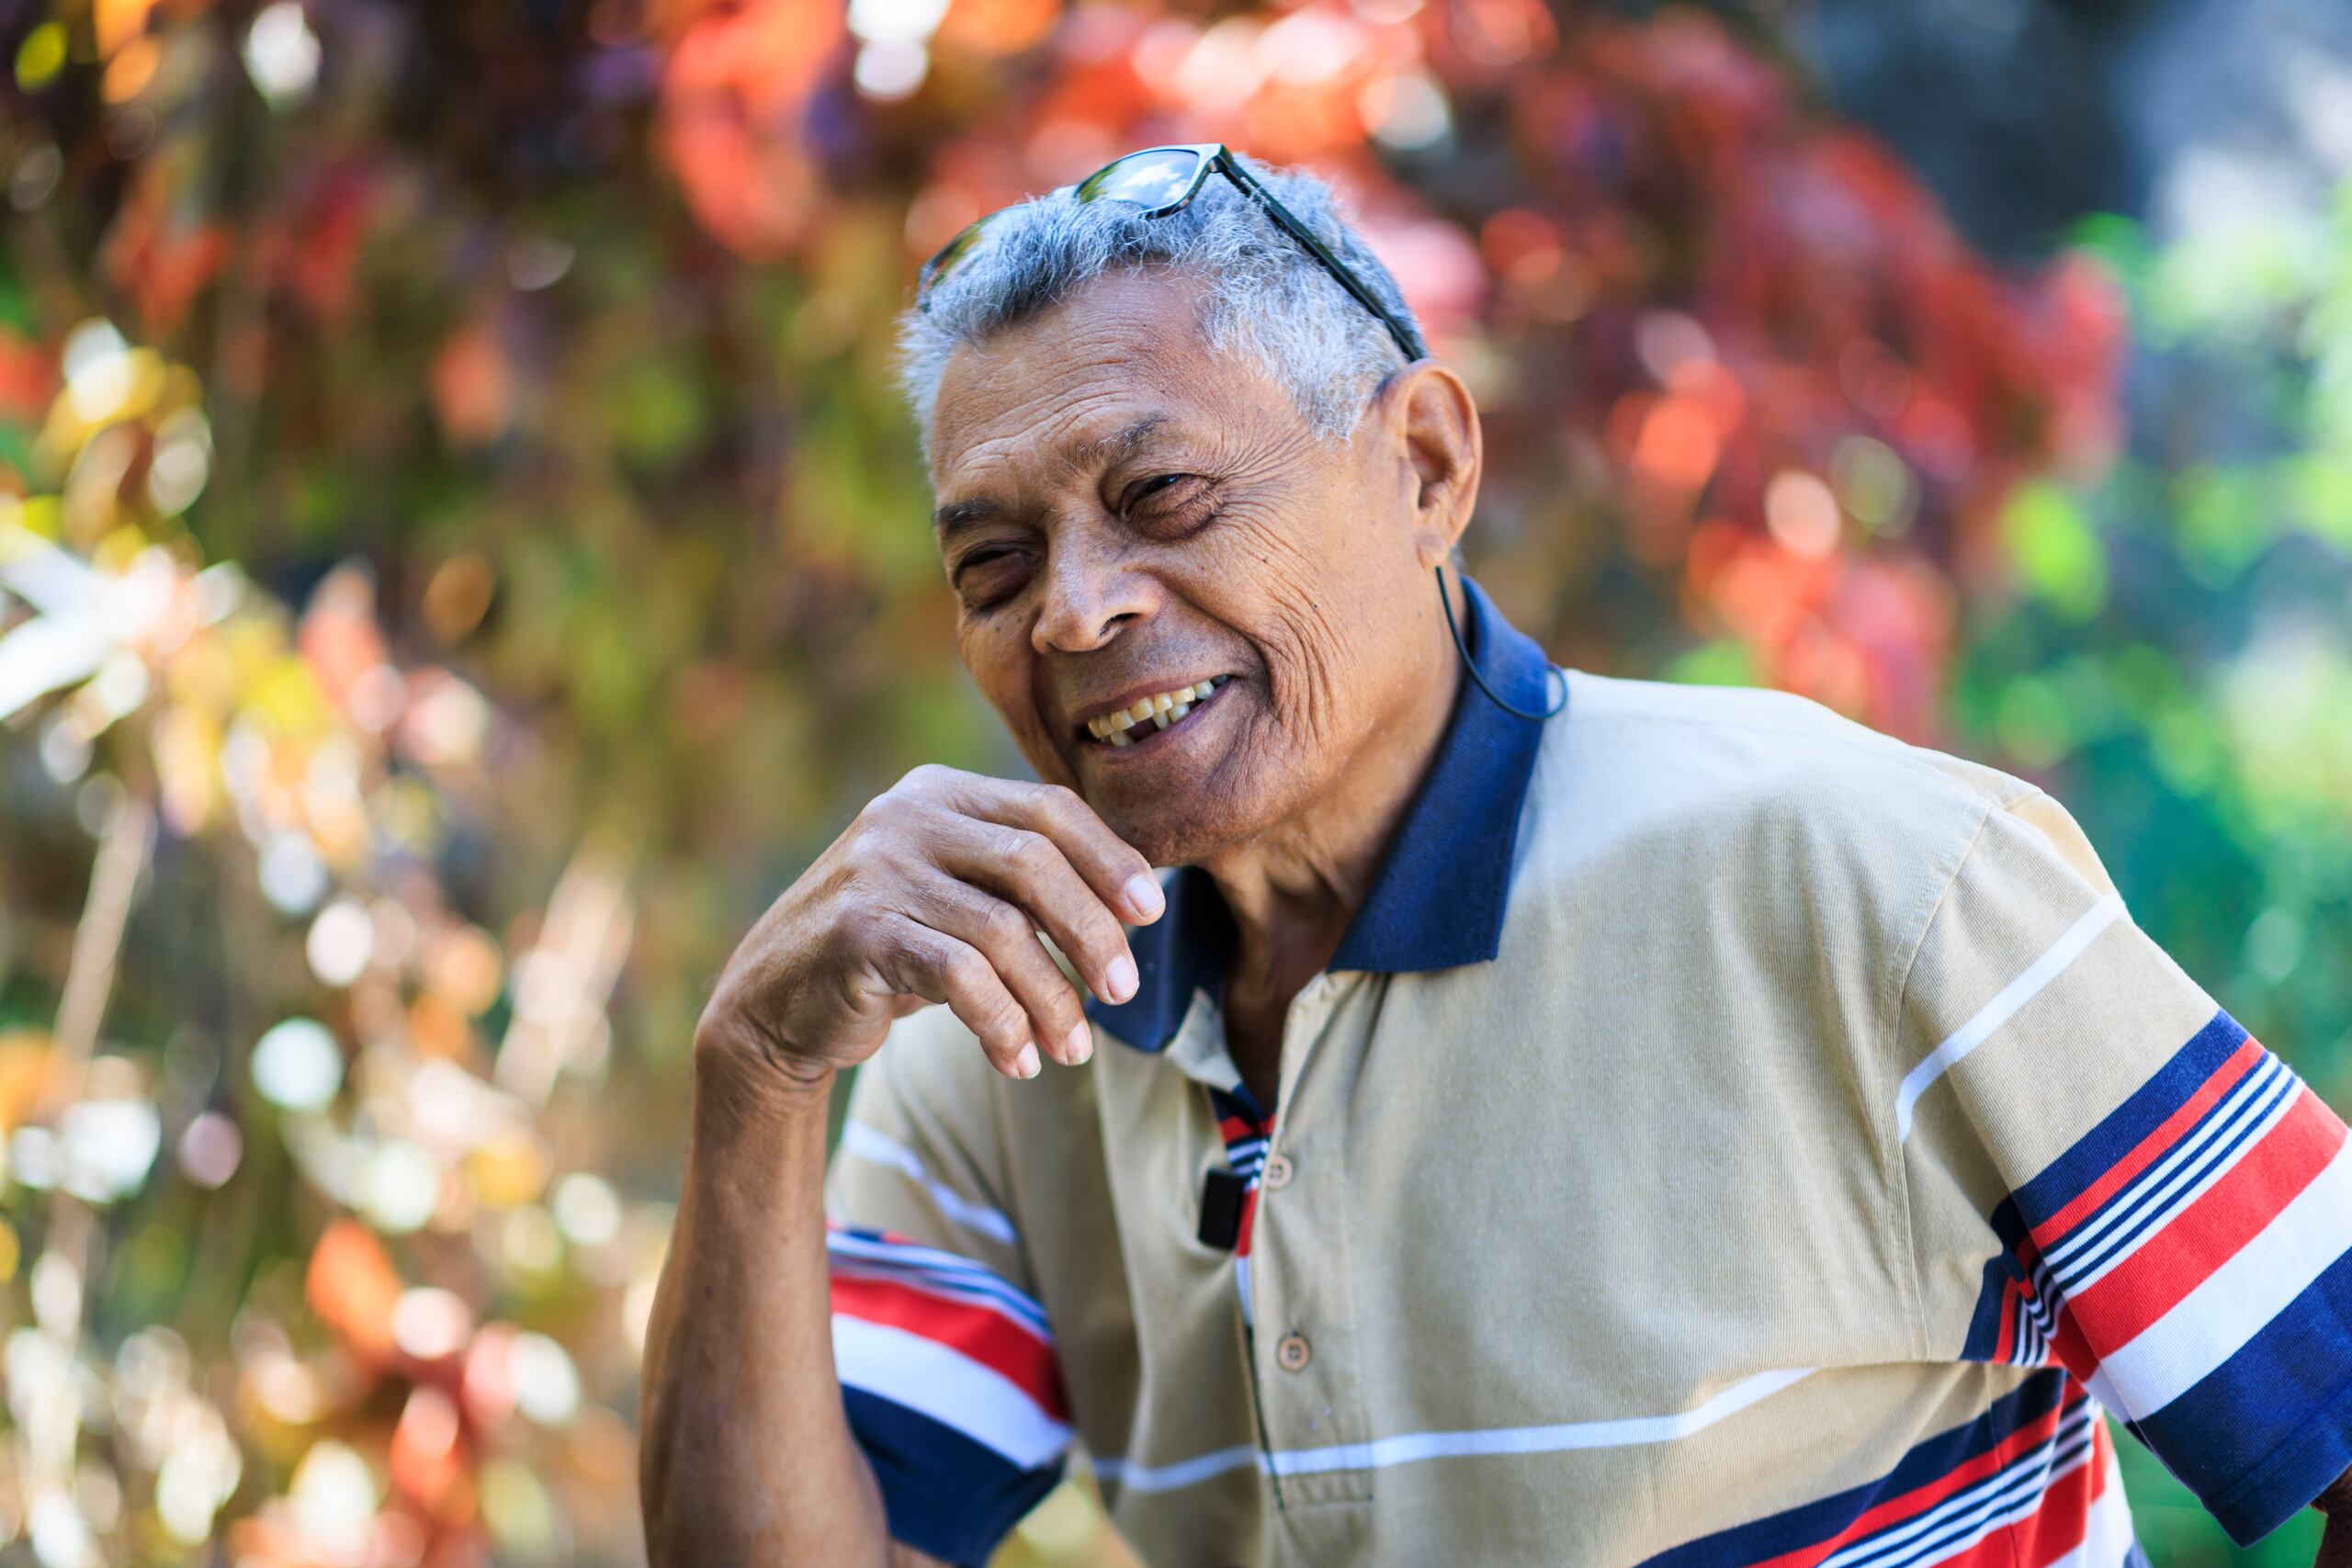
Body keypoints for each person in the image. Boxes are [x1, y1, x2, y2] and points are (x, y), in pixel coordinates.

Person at [637, 146, 2352, 1568]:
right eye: (996, 565)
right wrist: (761, 1068)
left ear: (1427, 468)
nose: (1077, 610)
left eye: (1163, 498)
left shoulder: (1862, 878)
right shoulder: (1006, 1025)